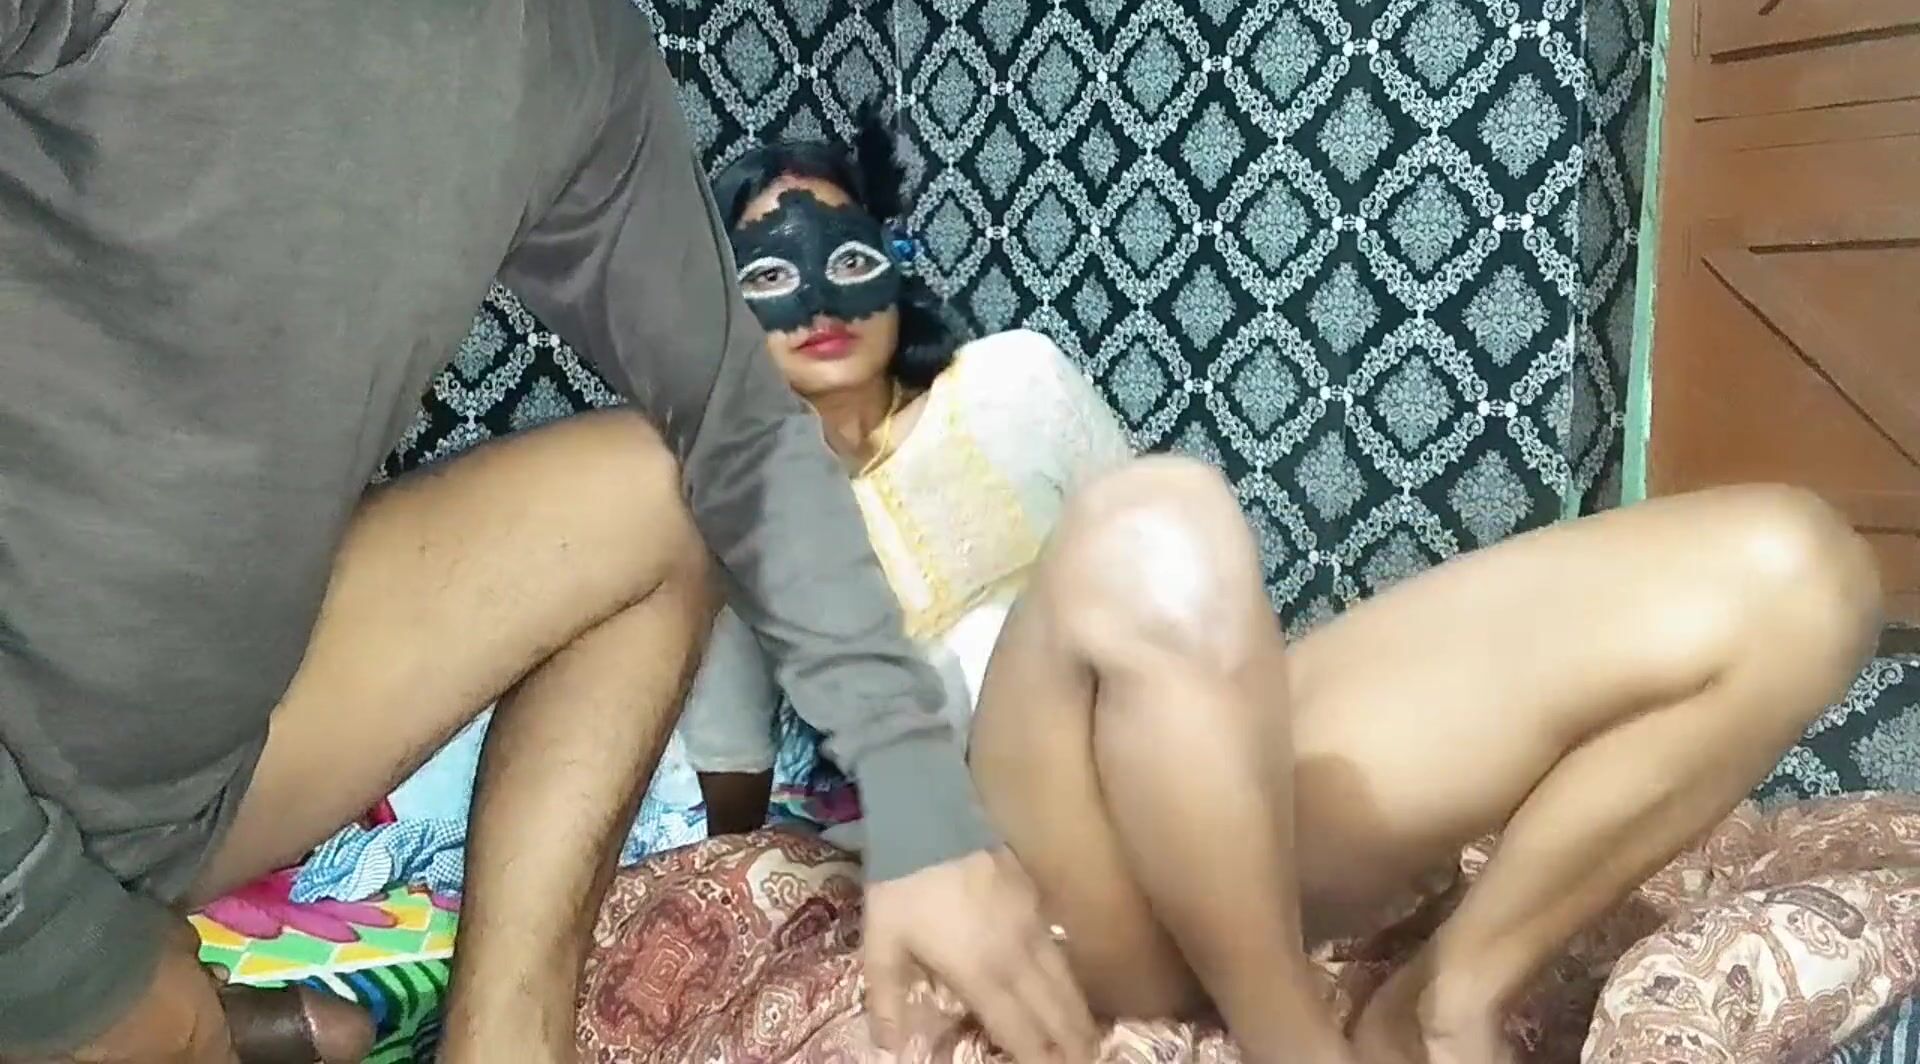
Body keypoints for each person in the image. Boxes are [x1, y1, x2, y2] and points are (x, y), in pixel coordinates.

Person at [0, 0, 1095, 1064]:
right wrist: (68, 964)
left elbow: (741, 429)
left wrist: (919, 802)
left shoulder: (566, 42)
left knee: (663, 496)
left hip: (185, 787)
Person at [683, 117, 1886, 1064]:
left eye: (846, 257)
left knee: (1803, 573)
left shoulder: (1014, 381)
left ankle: (1444, 999)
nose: (819, 303)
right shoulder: (723, 510)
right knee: (1151, 515)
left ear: (896, 267)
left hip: (1219, 789)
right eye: (769, 273)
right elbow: (728, 786)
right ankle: (1287, 1038)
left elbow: (1178, 591)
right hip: (1028, 849)